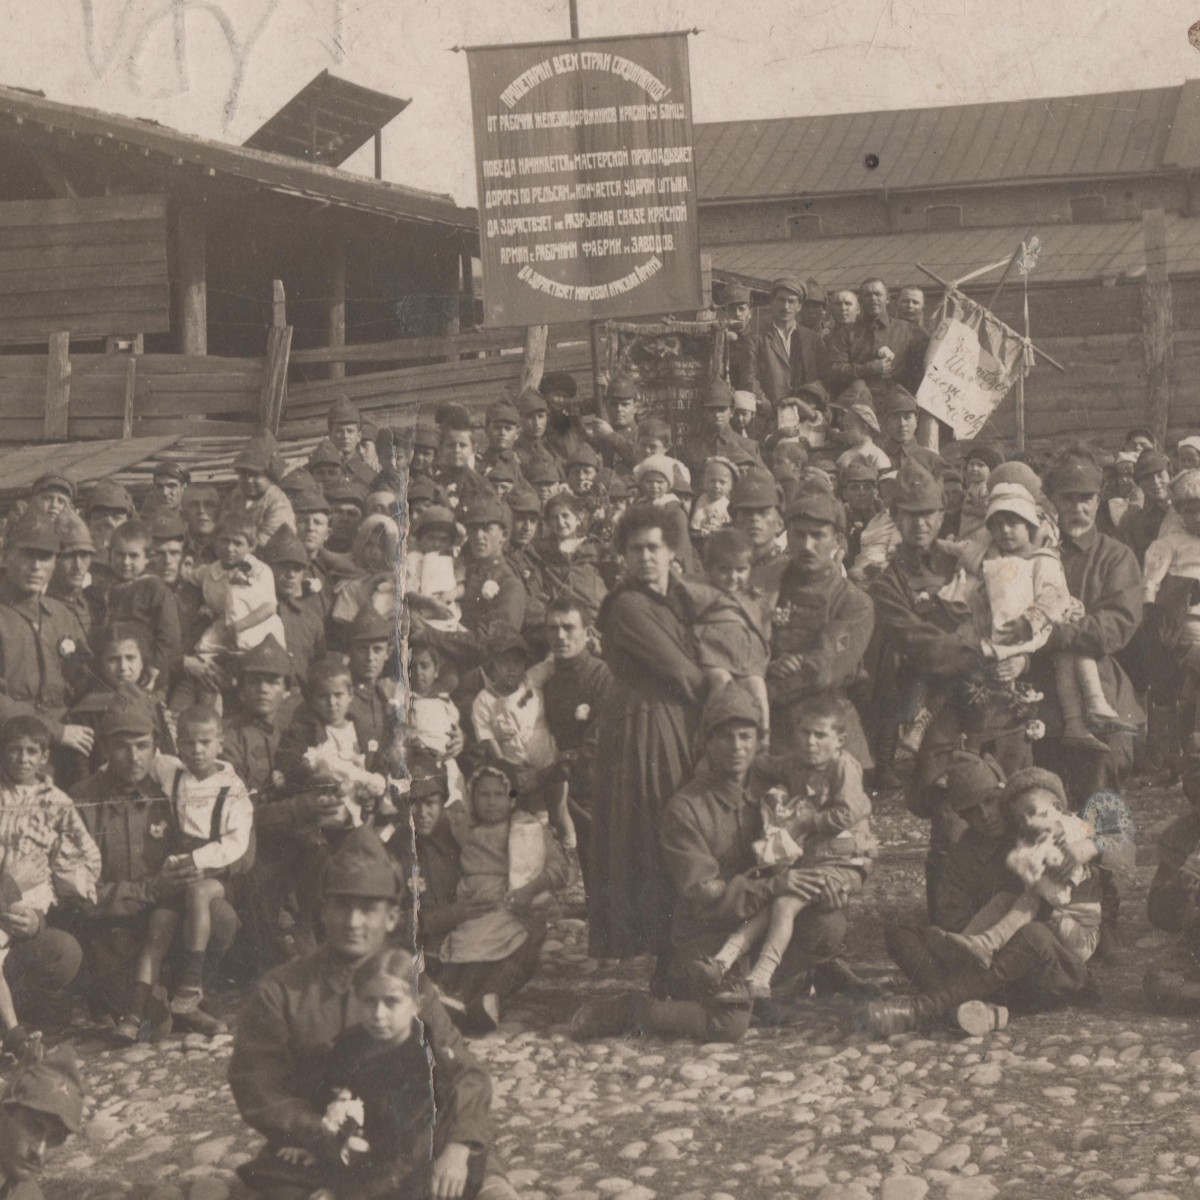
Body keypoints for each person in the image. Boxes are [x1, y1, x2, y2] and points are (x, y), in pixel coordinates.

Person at [230, 826, 519, 1200]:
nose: (353, 923)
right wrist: (319, 1132)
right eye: (342, 906)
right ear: (322, 910)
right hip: (325, 1147)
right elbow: (258, 1085)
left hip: (418, 1145)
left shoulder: (411, 985)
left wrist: (461, 1146)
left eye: (368, 909)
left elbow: (465, 1073)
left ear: (391, 918)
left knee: (487, 1189)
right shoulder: (281, 991)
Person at [572, 685, 856, 1044]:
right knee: (727, 1025)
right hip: (707, 937)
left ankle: (766, 990)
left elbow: (816, 840)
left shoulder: (778, 787)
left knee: (829, 924)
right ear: (706, 742)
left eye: (745, 737)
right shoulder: (687, 808)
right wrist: (775, 886)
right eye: (726, 738)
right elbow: (704, 896)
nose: (737, 748)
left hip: (761, 926)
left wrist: (826, 886)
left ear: (758, 742)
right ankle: (635, 1009)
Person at [587, 505, 715, 967]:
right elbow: (682, 671)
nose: (645, 557)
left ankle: (685, 939)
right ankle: (659, 945)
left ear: (671, 551)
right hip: (645, 725)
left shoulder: (680, 598)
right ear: (623, 555)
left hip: (681, 721)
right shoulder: (627, 607)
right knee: (651, 822)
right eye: (635, 549)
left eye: (654, 548)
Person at [71, 702, 237, 1039]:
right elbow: (82, 897)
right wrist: (149, 890)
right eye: (122, 746)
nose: (134, 757)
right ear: (104, 748)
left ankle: (185, 999)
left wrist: (196, 870)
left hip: (165, 919)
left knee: (220, 916)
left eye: (143, 746)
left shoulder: (168, 790)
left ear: (155, 748)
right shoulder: (81, 802)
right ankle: (149, 1006)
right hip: (112, 930)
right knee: (154, 1026)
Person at [699, 693, 876, 999]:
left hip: (844, 862)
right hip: (815, 858)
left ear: (840, 740)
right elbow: (765, 765)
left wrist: (804, 822)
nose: (810, 742)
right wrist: (770, 794)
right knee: (773, 903)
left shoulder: (843, 766)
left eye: (820, 735)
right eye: (804, 733)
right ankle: (723, 959)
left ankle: (761, 977)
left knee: (783, 903)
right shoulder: (796, 764)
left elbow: (850, 812)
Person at [127, 705, 253, 1026]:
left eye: (205, 742)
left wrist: (197, 860)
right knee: (159, 927)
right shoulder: (172, 770)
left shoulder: (232, 788)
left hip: (216, 871)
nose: (196, 750)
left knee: (198, 894)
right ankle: (134, 1012)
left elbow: (236, 843)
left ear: (219, 743)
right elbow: (139, 762)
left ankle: (191, 984)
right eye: (188, 743)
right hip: (178, 863)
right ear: (177, 744)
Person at [929, 767, 1101, 970]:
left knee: (1029, 903)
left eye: (990, 801)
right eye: (1021, 819)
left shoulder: (1067, 828)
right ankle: (964, 944)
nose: (984, 815)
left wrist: (1087, 846)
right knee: (1007, 899)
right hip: (1046, 921)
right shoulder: (971, 849)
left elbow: (1090, 829)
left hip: (1076, 933)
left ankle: (986, 944)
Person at [0, 715, 99, 1035]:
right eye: (14, 750)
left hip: (31, 900)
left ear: (44, 757)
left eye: (32, 751)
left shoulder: (56, 802)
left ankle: (22, 1019)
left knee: (58, 947)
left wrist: (66, 884)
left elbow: (87, 853)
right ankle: (11, 1030)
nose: (23, 758)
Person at [0, 513, 94, 759]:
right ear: (5, 556)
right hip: (12, 749)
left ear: (54, 563)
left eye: (45, 557)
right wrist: (56, 731)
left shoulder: (61, 614)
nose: (36, 566)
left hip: (67, 744)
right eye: (27, 555)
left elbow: (85, 678)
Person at [0, 1050, 86, 1200]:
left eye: (55, 1138)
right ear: (4, 1114)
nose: (39, 1152)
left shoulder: (27, 1195)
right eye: (34, 1128)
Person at [827, 277, 930, 397]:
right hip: (858, 398)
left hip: (896, 400)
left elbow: (923, 368)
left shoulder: (908, 331)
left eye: (878, 294)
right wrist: (868, 369)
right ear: (860, 300)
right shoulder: (846, 332)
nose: (873, 299)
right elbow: (833, 370)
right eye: (868, 295)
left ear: (888, 298)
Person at [746, 277, 826, 414]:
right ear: (772, 302)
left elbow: (823, 378)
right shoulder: (756, 337)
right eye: (781, 300)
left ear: (799, 306)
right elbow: (750, 377)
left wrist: (808, 405)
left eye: (791, 301)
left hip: (805, 412)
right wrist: (767, 407)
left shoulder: (813, 339)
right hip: (769, 413)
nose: (786, 307)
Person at [222, 437, 296, 549]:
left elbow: (268, 538)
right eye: (244, 475)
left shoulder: (278, 502)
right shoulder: (235, 497)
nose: (249, 480)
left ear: (269, 478)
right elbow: (222, 526)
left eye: (256, 475)